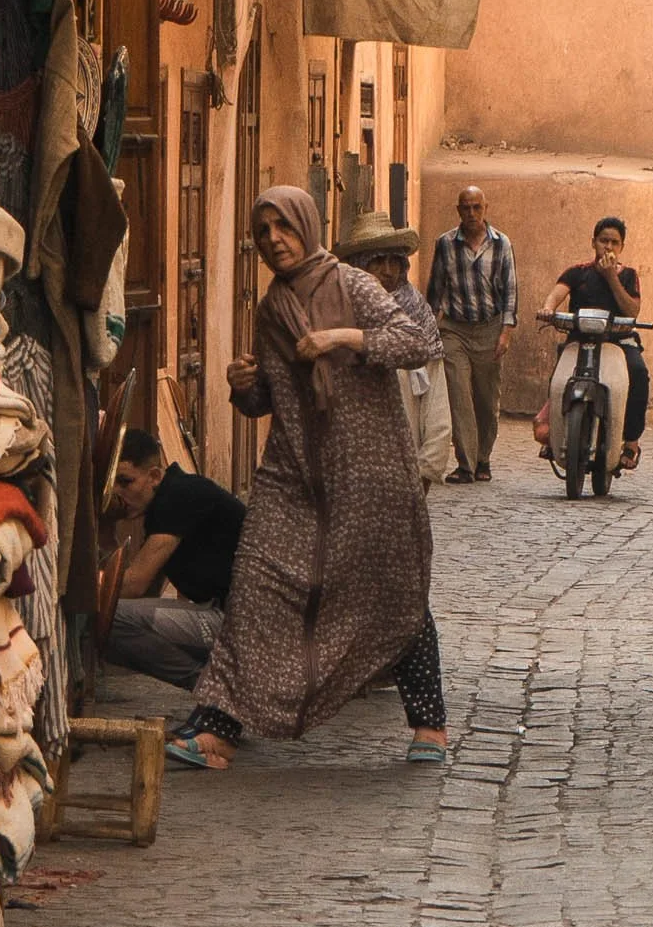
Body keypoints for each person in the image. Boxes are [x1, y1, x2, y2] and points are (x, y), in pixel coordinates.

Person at [167, 185, 449, 771]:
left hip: (369, 472)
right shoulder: (272, 307)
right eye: (263, 231)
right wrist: (243, 385)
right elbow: (270, 396)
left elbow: (419, 341)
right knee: (255, 584)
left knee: (395, 591)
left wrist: (341, 338)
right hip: (295, 475)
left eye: (284, 227)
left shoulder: (353, 285)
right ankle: (219, 728)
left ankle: (429, 724)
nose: (273, 240)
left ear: (307, 227)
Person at [104, 430, 246, 692]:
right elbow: (144, 590)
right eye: (111, 483)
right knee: (112, 618)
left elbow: (134, 584)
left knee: (110, 619)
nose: (117, 493)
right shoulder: (167, 501)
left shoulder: (178, 496)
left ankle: (210, 689)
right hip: (233, 618)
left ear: (155, 476)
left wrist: (78, 588)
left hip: (244, 624)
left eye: (125, 482)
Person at [340, 210, 453, 487]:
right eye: (378, 261)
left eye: (395, 262)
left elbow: (436, 400)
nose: (388, 271)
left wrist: (427, 468)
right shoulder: (335, 312)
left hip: (402, 463)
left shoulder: (417, 314)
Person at [537, 215, 649, 469]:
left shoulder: (629, 276)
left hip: (618, 341)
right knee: (559, 376)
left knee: (639, 373)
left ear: (621, 247)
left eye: (614, 242)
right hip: (581, 338)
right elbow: (557, 293)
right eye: (603, 241)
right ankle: (555, 432)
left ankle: (631, 442)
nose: (608, 247)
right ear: (593, 242)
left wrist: (612, 277)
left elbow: (632, 310)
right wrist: (547, 308)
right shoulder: (578, 273)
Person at [425, 184, 517, 483]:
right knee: (458, 394)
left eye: (477, 207)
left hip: (489, 328)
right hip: (454, 330)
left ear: (485, 208)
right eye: (466, 208)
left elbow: (510, 292)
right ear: (458, 211)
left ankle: (483, 459)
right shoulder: (445, 244)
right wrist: (429, 330)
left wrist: (505, 332)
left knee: (487, 399)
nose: (471, 213)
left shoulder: (502, 244)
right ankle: (465, 463)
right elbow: (435, 291)